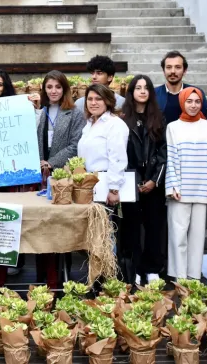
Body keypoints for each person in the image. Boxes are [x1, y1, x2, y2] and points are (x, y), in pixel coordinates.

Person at [0, 69, 39, 285]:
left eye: (0, 84)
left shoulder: (17, 107)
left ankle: (16, 261)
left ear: (6, 87)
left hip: (13, 173)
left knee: (11, 215)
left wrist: (32, 105)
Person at [36, 70, 84, 287]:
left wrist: (51, 162)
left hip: (61, 175)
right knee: (38, 222)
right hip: (38, 175)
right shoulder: (40, 111)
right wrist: (38, 162)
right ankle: (40, 273)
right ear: (44, 90)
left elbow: (75, 145)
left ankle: (59, 274)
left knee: (57, 224)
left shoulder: (74, 113)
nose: (53, 91)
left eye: (57, 87)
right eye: (49, 87)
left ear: (64, 89)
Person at [78, 84, 130, 280]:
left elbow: (117, 158)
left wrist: (114, 188)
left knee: (105, 236)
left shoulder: (115, 124)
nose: (93, 103)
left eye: (98, 99)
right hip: (89, 186)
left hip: (106, 187)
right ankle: (97, 277)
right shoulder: (90, 124)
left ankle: (108, 280)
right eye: (90, 99)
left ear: (108, 101)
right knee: (95, 236)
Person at [120, 75, 167, 285]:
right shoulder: (122, 119)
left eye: (146, 87)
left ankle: (152, 267)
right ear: (131, 92)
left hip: (153, 183)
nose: (142, 91)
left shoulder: (159, 118)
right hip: (130, 183)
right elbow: (121, 153)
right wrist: (134, 181)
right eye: (138, 88)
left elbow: (163, 152)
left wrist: (153, 180)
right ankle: (135, 268)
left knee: (154, 227)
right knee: (131, 228)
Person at [165, 87, 207, 280]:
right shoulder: (173, 127)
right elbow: (171, 157)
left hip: (201, 188)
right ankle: (179, 275)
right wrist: (173, 186)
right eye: (189, 101)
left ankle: (194, 275)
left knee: (197, 237)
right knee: (178, 235)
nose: (193, 105)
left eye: (197, 101)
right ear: (182, 102)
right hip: (180, 189)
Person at [154, 51, 207, 123]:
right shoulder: (154, 94)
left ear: (184, 71)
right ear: (163, 70)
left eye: (178, 67)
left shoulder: (195, 92)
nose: (173, 71)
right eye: (169, 67)